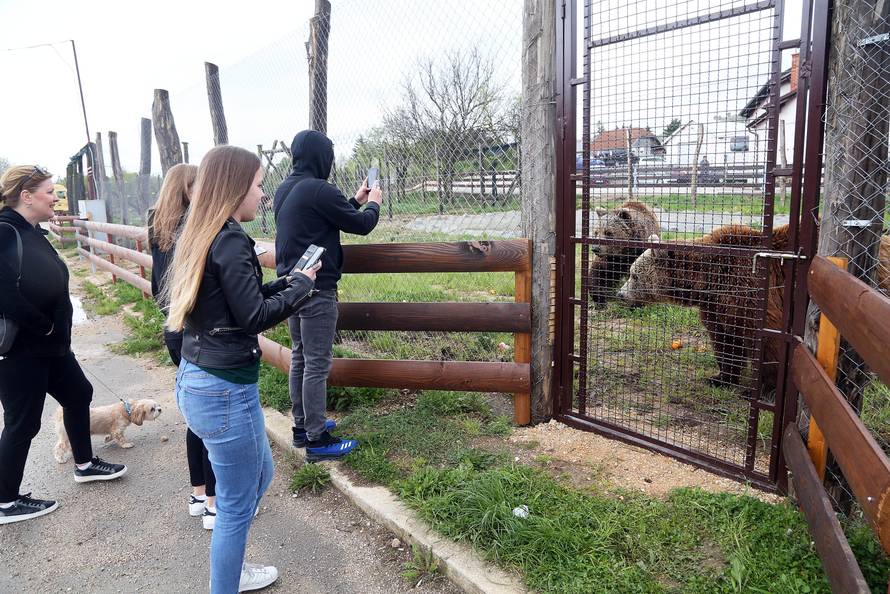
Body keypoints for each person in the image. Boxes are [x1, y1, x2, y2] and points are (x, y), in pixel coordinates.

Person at [167, 145, 318, 593]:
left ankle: (230, 570)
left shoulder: (202, 231)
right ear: (234, 188)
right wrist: (302, 290)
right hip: (224, 389)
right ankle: (226, 582)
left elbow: (237, 300)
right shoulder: (230, 239)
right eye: (257, 185)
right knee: (234, 507)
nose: (262, 194)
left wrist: (288, 282)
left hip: (200, 378)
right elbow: (253, 317)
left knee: (260, 476)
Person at [0, 165, 127, 525]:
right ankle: (5, 501)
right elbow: (5, 295)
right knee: (23, 423)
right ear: (26, 196)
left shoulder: (31, 231)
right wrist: (45, 327)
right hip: (22, 350)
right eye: (49, 191)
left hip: (50, 347)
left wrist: (57, 333)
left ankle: (84, 464)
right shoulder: (5, 231)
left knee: (78, 393)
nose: (56, 197)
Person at [274, 130, 382, 461]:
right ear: (323, 158)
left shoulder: (286, 189)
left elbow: (323, 219)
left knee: (300, 357)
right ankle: (318, 440)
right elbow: (361, 225)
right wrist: (374, 202)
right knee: (317, 364)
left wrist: (355, 200)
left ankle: (302, 426)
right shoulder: (319, 189)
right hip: (317, 288)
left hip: (292, 287)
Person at [147, 163, 219, 529]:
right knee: (212, 418)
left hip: (174, 329)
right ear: (188, 190)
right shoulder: (193, 227)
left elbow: (155, 284)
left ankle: (198, 494)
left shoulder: (158, 225)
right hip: (198, 331)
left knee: (196, 418)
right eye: (200, 184)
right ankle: (215, 505)